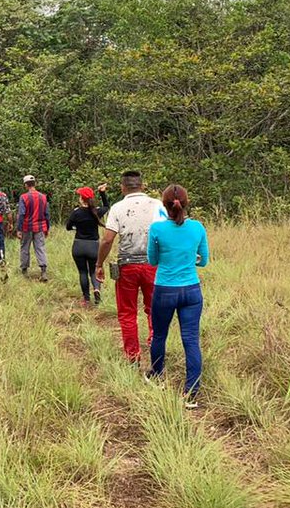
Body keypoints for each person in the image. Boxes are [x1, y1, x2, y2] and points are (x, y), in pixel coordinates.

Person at [95, 171, 167, 363]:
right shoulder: (157, 205)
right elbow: (166, 233)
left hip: (127, 265)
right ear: (142, 186)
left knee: (127, 312)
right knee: (154, 309)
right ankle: (155, 346)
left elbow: (108, 239)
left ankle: (132, 355)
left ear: (123, 187)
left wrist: (99, 264)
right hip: (153, 264)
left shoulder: (118, 208)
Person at [146, 184, 209, 408]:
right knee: (191, 340)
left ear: (165, 205)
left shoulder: (156, 229)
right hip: (192, 290)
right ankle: (191, 393)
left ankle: (156, 375)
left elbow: (153, 261)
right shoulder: (198, 227)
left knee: (159, 335)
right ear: (186, 203)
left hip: (165, 289)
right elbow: (204, 260)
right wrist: (189, 259)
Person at [65, 183, 111, 306]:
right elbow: (107, 206)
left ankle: (86, 299)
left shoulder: (76, 213)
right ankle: (96, 289)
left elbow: (68, 227)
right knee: (94, 271)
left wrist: (76, 226)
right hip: (94, 246)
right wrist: (102, 193)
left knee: (82, 272)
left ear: (81, 198)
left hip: (79, 245)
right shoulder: (96, 212)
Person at [17, 174, 50, 281]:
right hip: (40, 227)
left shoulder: (24, 197)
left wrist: (19, 229)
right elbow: (47, 214)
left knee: (25, 248)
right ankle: (43, 271)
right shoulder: (43, 197)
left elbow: (21, 214)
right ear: (34, 183)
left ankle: (25, 270)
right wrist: (47, 228)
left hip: (27, 227)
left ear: (26, 185)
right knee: (40, 248)